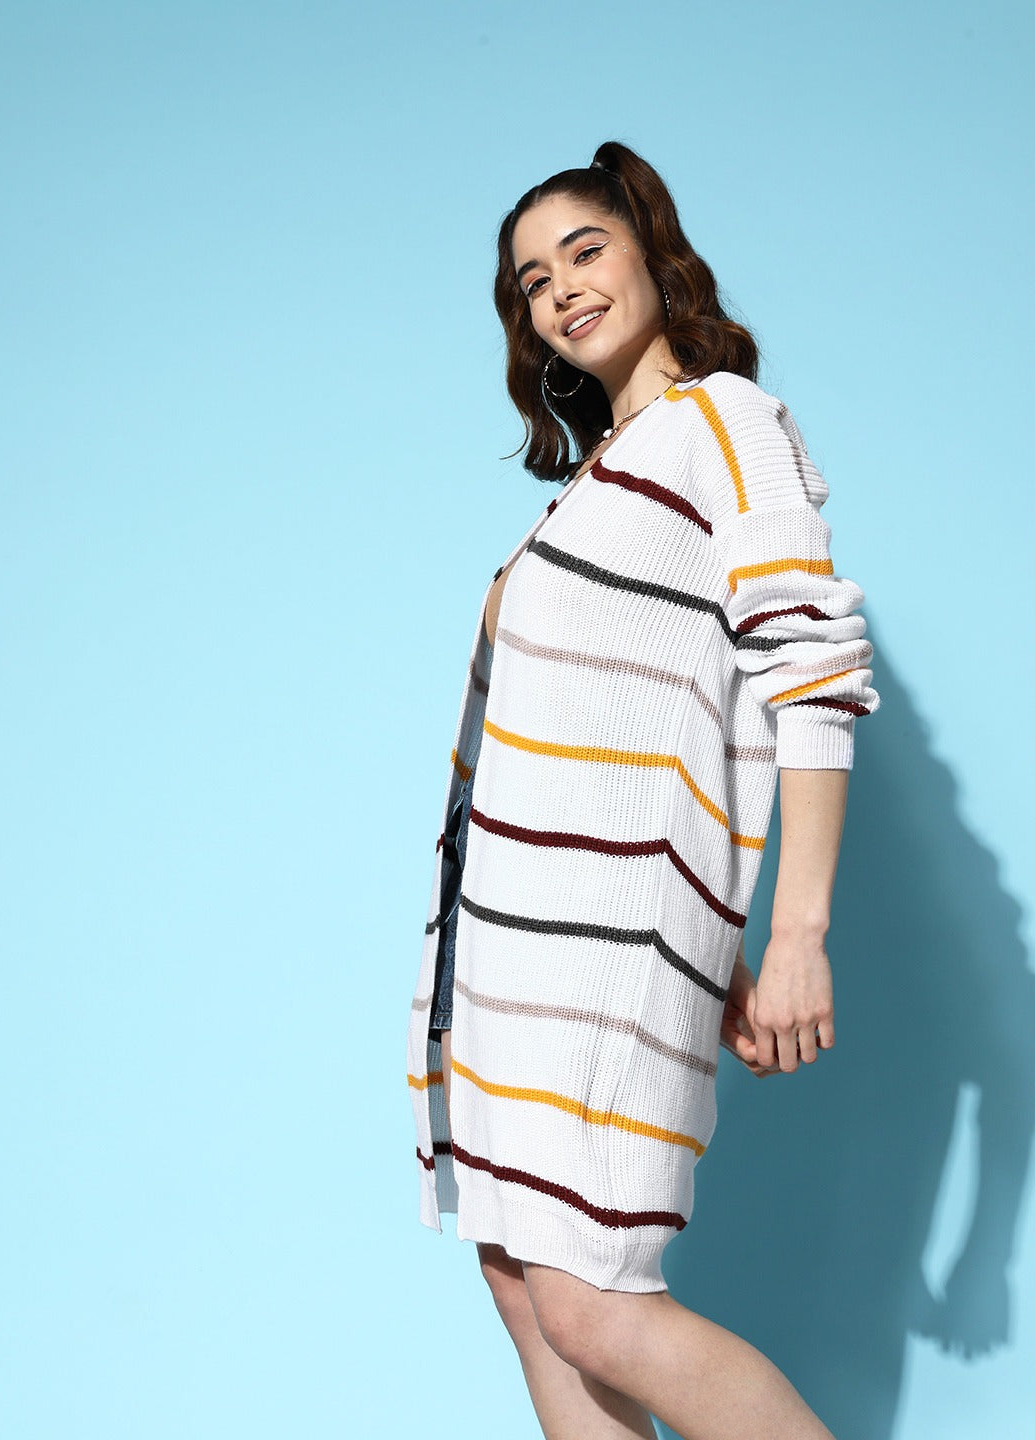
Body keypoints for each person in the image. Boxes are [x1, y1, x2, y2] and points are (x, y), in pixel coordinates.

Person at [405, 139, 879, 1439]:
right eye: (531, 280)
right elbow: (628, 732)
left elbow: (812, 671)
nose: (560, 288)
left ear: (653, 255)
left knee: (596, 1304)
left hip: (597, 956)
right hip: (514, 948)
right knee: (523, 1283)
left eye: (585, 250)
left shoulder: (724, 422)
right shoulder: (595, 481)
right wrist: (704, 953)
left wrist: (793, 931)